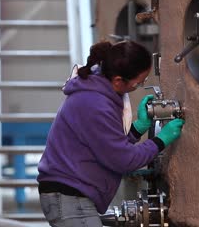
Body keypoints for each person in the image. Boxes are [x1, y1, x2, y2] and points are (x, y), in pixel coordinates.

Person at [37, 40, 185, 227]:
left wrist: (137, 128)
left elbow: (104, 146)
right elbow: (123, 160)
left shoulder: (97, 92)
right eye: (139, 83)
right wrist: (161, 140)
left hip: (70, 195)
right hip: (69, 197)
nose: (138, 86)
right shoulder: (96, 103)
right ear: (118, 81)